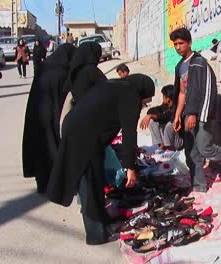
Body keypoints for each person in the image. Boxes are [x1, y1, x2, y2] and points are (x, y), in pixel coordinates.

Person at [46, 74, 155, 245]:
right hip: (82, 136)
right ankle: (95, 234)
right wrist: (131, 168)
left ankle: (103, 221)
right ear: (142, 91)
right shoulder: (130, 95)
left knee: (96, 180)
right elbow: (129, 134)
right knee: (89, 182)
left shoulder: (117, 86)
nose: (145, 104)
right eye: (146, 101)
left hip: (80, 130)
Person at [170, 28, 221, 193]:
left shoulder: (199, 62)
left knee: (205, 148)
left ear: (189, 43)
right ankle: (199, 186)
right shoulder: (179, 66)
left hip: (202, 114)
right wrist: (177, 115)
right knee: (192, 152)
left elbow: (200, 90)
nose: (178, 47)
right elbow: (182, 93)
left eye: (181, 43)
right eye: (175, 44)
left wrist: (193, 114)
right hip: (187, 115)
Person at [22, 43, 76, 193]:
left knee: (40, 148)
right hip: (54, 114)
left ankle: (42, 184)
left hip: (36, 113)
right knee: (54, 147)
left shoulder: (44, 66)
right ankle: (56, 185)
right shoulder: (64, 70)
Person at [140, 84, 183, 151]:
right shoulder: (165, 106)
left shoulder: (177, 108)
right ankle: (161, 146)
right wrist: (151, 115)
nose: (162, 98)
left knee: (170, 124)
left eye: (163, 96)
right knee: (152, 122)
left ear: (168, 99)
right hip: (167, 140)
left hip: (177, 142)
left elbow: (166, 116)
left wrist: (153, 116)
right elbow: (152, 110)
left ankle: (169, 149)